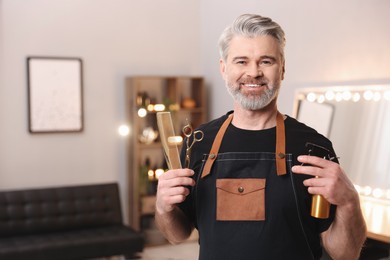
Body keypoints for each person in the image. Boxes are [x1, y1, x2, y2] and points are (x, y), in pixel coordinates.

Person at [155, 14, 366, 260]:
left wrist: (350, 202)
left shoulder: (313, 147)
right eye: (241, 61)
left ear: (282, 68)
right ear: (224, 68)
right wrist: (162, 207)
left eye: (265, 61)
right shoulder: (198, 143)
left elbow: (346, 254)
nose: (253, 73)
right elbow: (178, 234)